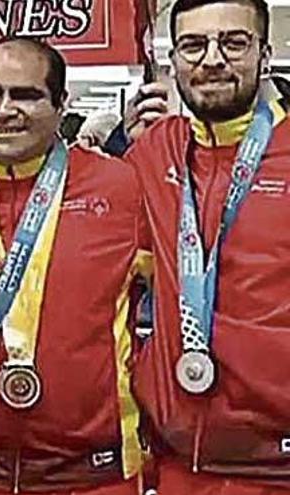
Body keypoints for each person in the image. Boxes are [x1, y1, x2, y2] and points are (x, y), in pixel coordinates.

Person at [0, 37, 152, 494]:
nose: (4, 109)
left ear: (61, 106)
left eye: (25, 95)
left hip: (91, 476)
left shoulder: (122, 189)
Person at [124, 1, 290, 493]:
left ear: (265, 54)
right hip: (182, 465)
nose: (212, 59)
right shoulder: (152, 153)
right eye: (194, 45)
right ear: (173, 60)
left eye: (233, 42)